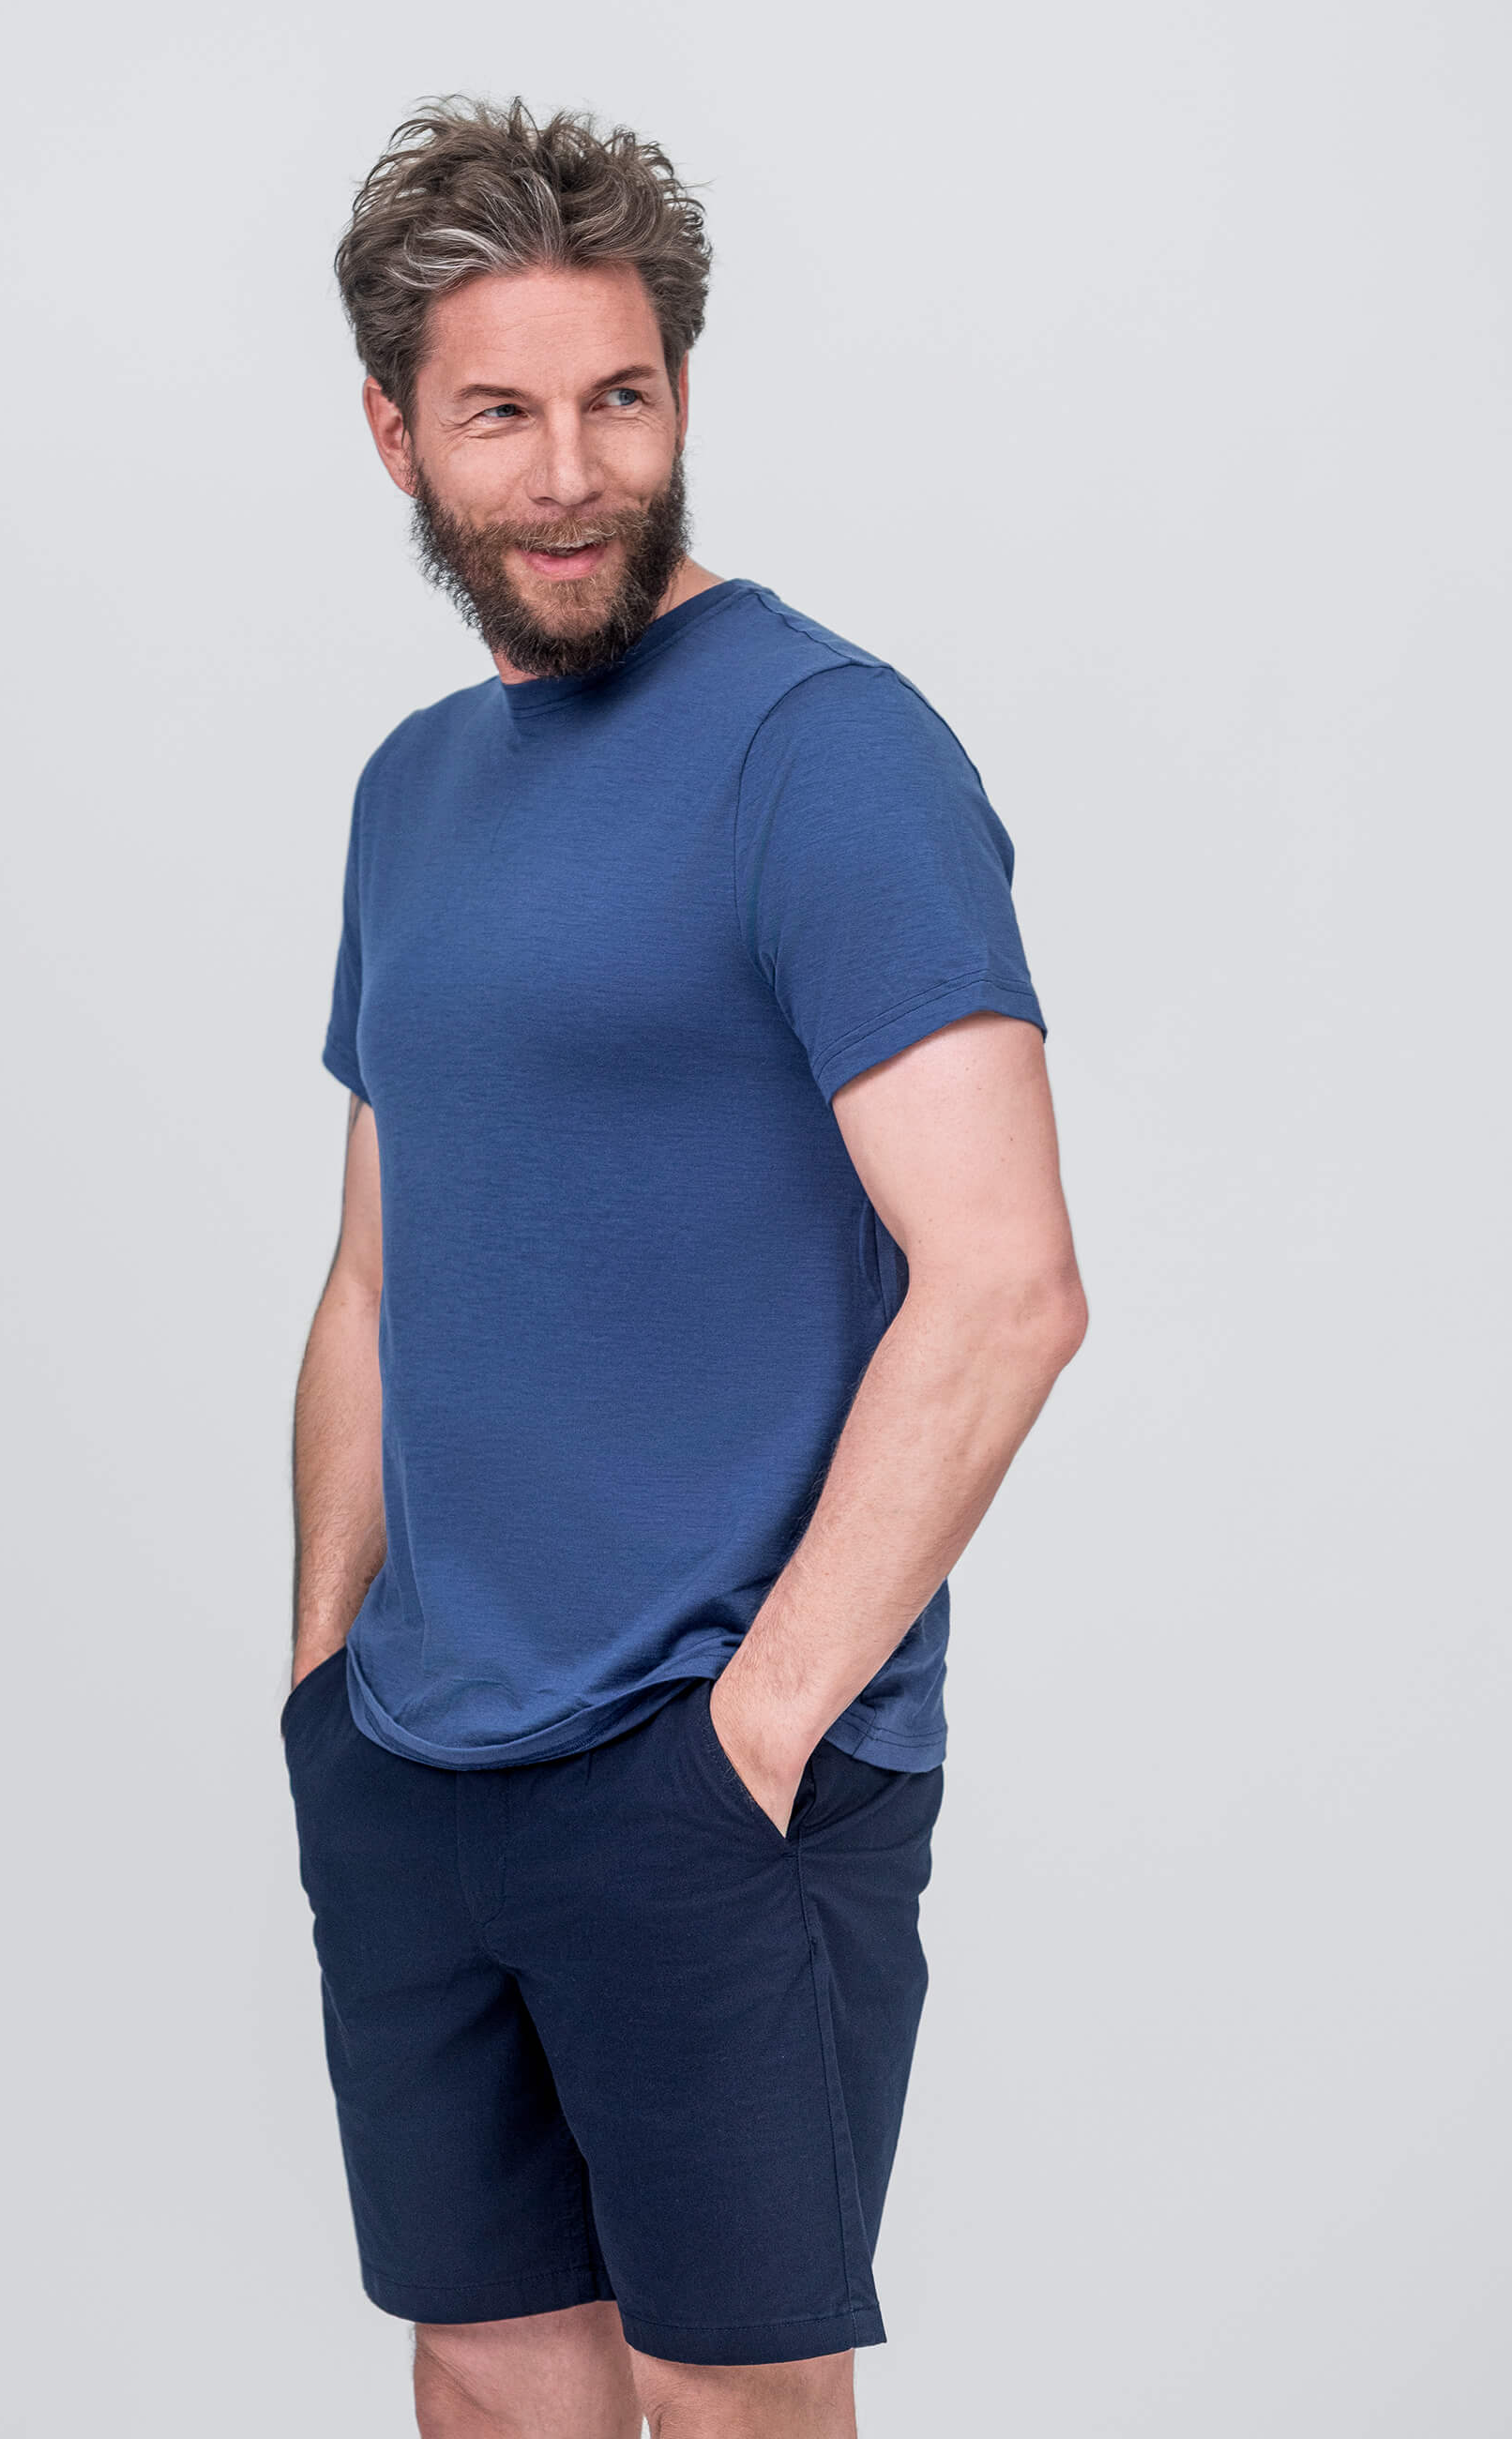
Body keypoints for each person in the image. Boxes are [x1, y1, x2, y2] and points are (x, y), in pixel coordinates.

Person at [284, 96, 1086, 2439]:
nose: (569, 476)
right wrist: (326, 1676)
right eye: (499, 415)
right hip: (418, 1760)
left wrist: (754, 1731)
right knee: (489, 2376)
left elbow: (1004, 1281)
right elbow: (374, 1277)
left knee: (727, 2401)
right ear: (394, 433)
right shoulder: (412, 791)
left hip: (709, 1771)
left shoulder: (823, 749)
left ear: (681, 394)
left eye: (616, 398)